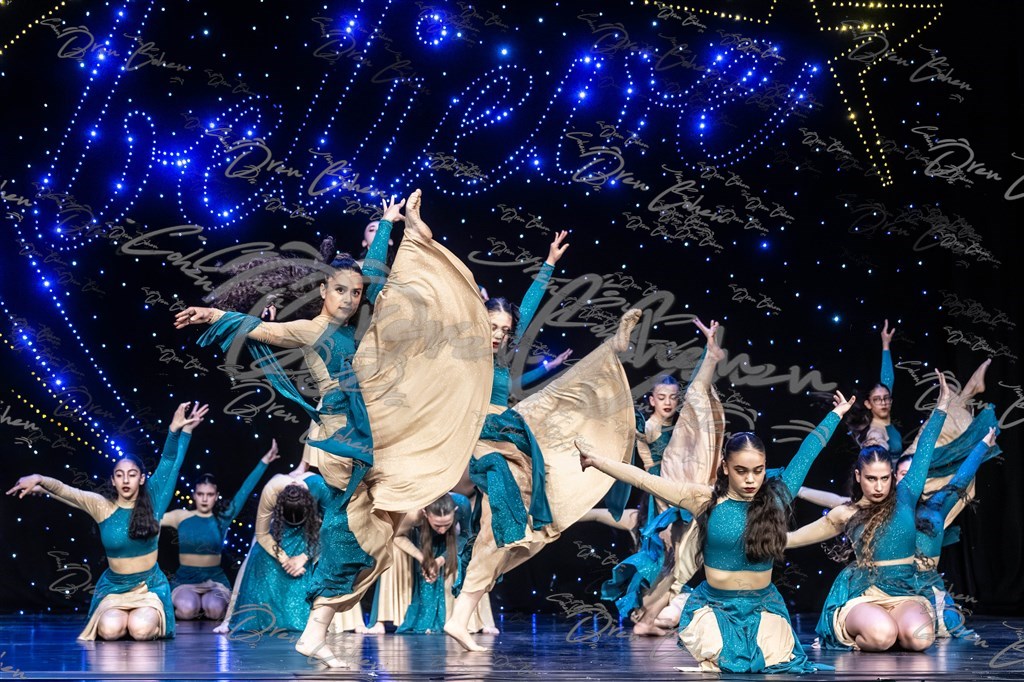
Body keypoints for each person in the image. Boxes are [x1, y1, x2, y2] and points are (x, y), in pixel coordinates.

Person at [176, 190, 494, 666]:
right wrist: (213, 314)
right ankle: (317, 625)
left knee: (380, 535)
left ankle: (316, 630)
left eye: (354, 293)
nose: (349, 298)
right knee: (360, 530)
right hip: (341, 438)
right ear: (323, 291)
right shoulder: (313, 329)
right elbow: (265, 331)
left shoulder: (354, 331)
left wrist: (391, 227)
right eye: (340, 290)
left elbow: (374, 274)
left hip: (367, 432)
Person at [577, 392, 854, 673]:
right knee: (730, 663)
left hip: (762, 606)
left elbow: (807, 453)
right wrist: (597, 461)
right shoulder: (704, 500)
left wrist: (835, 415)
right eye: (741, 470)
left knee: (767, 665)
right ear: (725, 467)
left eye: (758, 471)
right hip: (715, 607)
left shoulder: (777, 497)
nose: (750, 479)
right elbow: (645, 480)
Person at [444, 304, 642, 652]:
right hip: (481, 441)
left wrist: (546, 272)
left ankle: (459, 618)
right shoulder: (462, 357)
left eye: (505, 330)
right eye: (493, 327)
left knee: (522, 532)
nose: (499, 335)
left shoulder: (500, 364)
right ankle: (459, 618)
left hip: (508, 432)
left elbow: (519, 365)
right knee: (502, 524)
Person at [7, 401, 207, 640]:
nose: (126, 480)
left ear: (142, 478)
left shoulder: (155, 499)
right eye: (119, 475)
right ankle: (123, 620)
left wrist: (176, 431)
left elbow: (170, 461)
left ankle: (146, 621)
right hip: (115, 588)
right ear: (113, 480)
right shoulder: (102, 506)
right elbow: (68, 491)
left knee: (141, 630)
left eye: (132, 475)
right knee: (110, 631)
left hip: (148, 588)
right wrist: (40, 478)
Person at [787, 370, 952, 652]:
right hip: (865, 594)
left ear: (893, 476)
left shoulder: (906, 495)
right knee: (881, 636)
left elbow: (925, 448)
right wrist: (756, 538)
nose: (878, 486)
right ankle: (866, 630)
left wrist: (943, 405)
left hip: (904, 591)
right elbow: (794, 538)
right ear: (858, 477)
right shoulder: (846, 513)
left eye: (885, 478)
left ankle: (893, 627)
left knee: (920, 639)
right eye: (871, 478)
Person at [161, 440, 279, 622]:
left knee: (215, 611)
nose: (204, 499)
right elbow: (152, 517)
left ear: (216, 496)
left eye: (209, 495)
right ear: (194, 495)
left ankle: (205, 607)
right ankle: (192, 607)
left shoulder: (222, 519)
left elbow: (244, 491)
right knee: (187, 609)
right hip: (185, 580)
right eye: (200, 494)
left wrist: (263, 463)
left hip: (214, 581)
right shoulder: (180, 516)